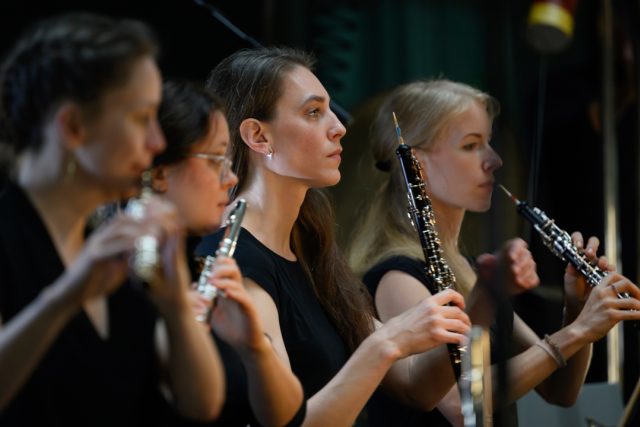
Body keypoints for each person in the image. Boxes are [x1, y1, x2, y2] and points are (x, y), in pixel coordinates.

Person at [196, 46, 487, 427]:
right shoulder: (236, 263)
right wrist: (388, 343)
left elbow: (417, 387)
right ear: (258, 136)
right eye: (313, 112)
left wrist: (475, 314)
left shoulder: (312, 251)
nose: (339, 126)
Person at [347, 79, 640, 426]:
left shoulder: (470, 270)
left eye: (489, 142)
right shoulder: (397, 276)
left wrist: (577, 309)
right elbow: (458, 405)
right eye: (472, 146)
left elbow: (560, 391)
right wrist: (577, 332)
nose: (495, 160)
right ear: (418, 165)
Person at [0, 13, 224, 425]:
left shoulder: (115, 246)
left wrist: (175, 305)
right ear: (73, 126)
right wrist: (64, 297)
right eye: (142, 119)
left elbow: (201, 405)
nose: (157, 142)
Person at [151, 80, 304, 426]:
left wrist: (256, 348)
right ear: (160, 173)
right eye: (215, 160)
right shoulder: (122, 277)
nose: (230, 177)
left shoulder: (196, 269)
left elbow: (288, 416)